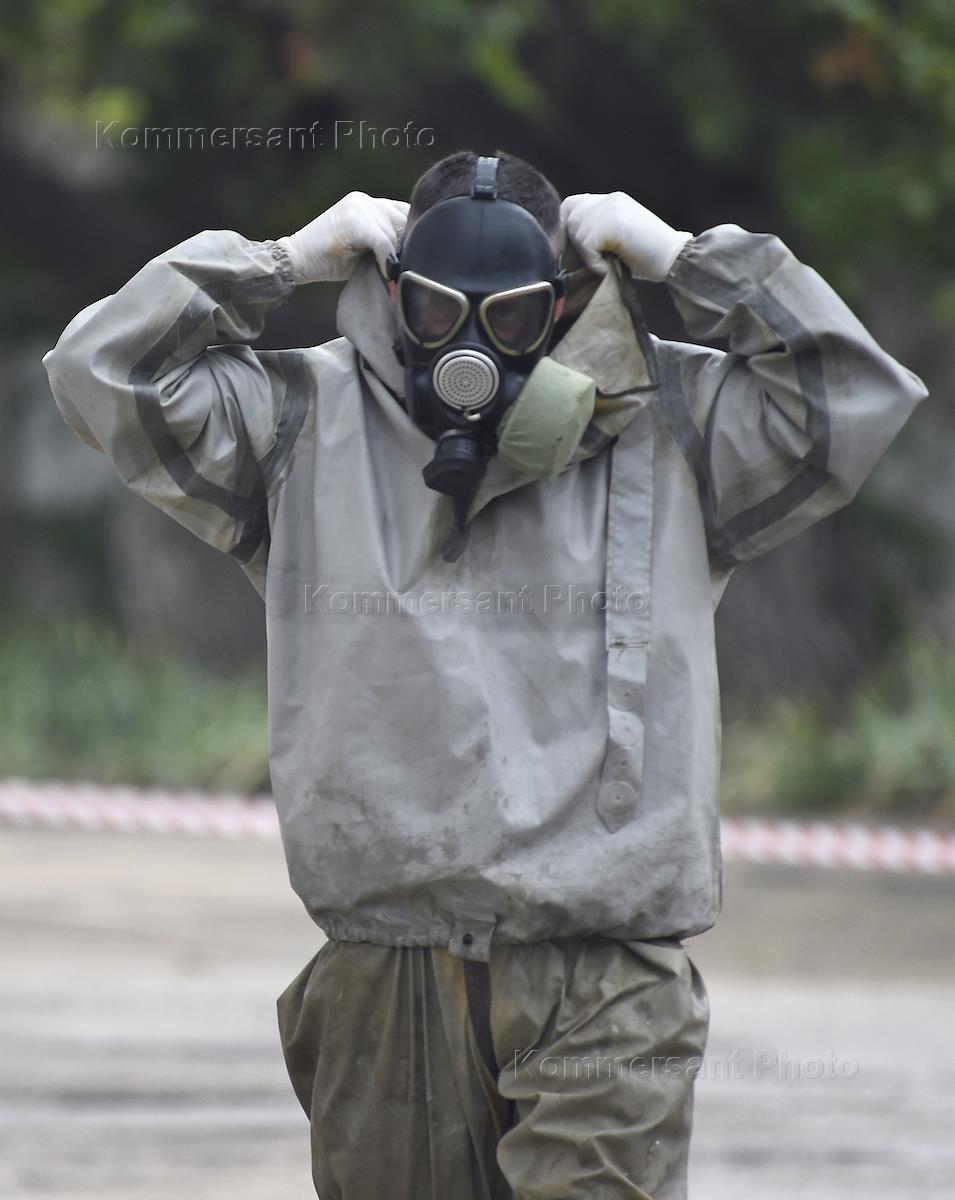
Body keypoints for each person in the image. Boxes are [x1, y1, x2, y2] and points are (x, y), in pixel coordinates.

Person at [42, 148, 928, 1199]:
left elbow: (853, 398)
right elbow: (99, 372)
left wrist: (688, 259)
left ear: (564, 301)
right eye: (434, 309)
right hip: (386, 972)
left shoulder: (675, 418)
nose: (469, 345)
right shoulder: (301, 421)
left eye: (510, 318)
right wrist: (277, 262)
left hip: (604, 974)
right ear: (390, 294)